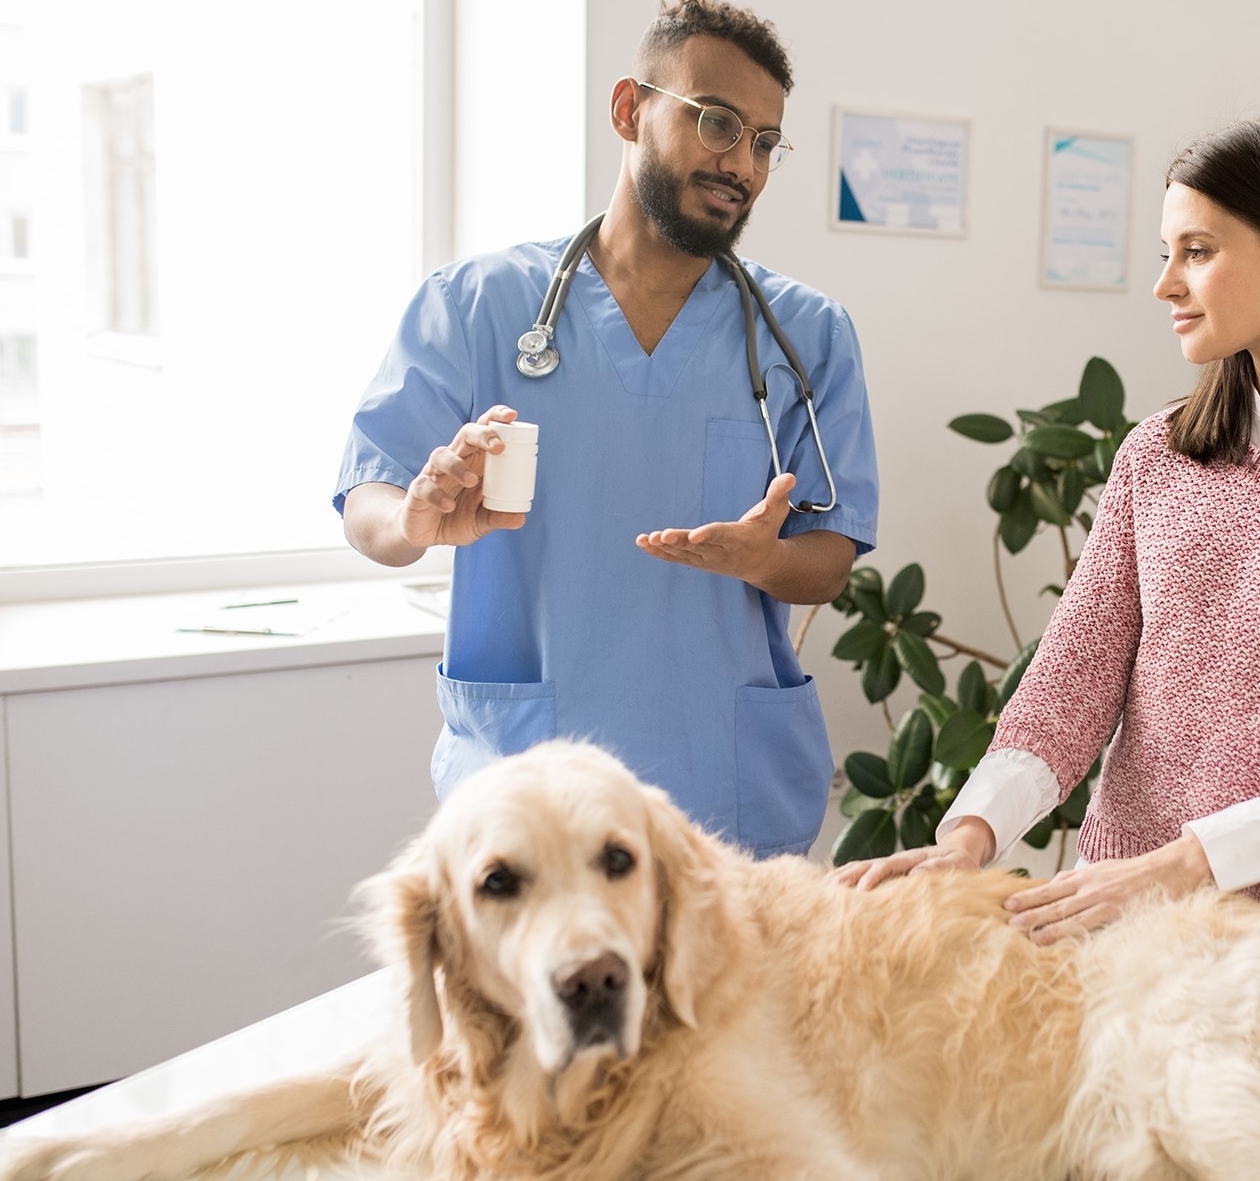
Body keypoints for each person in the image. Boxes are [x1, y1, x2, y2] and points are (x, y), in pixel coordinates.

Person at [832, 112, 1260, 996]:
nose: (1164, 284)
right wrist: (968, 838)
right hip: (1128, 919)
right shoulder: (1157, 456)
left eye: (1197, 250)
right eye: (1167, 251)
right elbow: (1069, 681)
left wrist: (1188, 862)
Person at [336, 0, 878, 858]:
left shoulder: (806, 336)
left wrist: (766, 560)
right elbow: (369, 500)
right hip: (529, 790)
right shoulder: (477, 306)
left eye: (765, 142)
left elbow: (830, 559)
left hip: (726, 797)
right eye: (717, 122)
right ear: (630, 109)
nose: (741, 162)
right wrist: (411, 519)